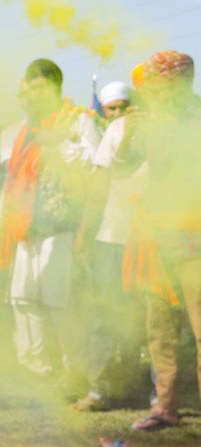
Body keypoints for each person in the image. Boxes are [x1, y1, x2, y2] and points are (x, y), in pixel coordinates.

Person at [0, 58, 100, 377]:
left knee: (60, 301)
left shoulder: (78, 120)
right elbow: (11, 179)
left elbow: (95, 167)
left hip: (63, 223)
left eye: (43, 87)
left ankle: (75, 371)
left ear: (57, 87)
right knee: (23, 298)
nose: (36, 93)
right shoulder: (19, 129)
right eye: (32, 87)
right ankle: (35, 367)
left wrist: (61, 144)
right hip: (25, 224)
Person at [123, 51, 201, 430]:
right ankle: (165, 406)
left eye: (161, 85)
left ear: (183, 83)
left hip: (195, 236)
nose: (154, 93)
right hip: (155, 238)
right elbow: (122, 165)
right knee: (160, 329)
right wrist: (128, 136)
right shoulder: (150, 120)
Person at [72, 79, 146, 411]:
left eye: (122, 106)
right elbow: (99, 187)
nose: (117, 113)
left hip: (151, 240)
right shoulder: (115, 133)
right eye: (111, 108)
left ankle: (135, 385)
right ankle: (100, 389)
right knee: (105, 314)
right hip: (111, 237)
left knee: (141, 317)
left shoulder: (162, 129)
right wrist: (85, 231)